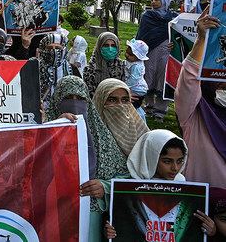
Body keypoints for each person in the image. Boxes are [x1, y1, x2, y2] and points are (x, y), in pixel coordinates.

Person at [44, 76, 128, 242]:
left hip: (90, 218)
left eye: (80, 99)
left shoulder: (101, 137)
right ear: (57, 101)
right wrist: (54, 129)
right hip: (51, 214)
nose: (75, 104)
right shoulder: (42, 132)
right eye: (68, 98)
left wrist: (104, 186)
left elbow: (125, 178)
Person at [105, 130, 216, 240]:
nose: (175, 168)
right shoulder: (125, 189)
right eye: (167, 161)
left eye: (180, 161)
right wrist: (109, 232)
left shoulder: (181, 183)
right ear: (151, 158)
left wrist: (209, 230)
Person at [174, 9, 226, 189]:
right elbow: (189, 77)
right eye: (220, 85)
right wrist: (201, 39)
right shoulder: (194, 115)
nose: (224, 89)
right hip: (199, 210)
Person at [136, 0, 176, 119]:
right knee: (148, 78)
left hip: (166, 53)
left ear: (164, 1)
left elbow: (179, 35)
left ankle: (160, 111)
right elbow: (141, 36)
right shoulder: (147, 16)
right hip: (150, 52)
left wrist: (173, 44)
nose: (153, 2)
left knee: (162, 80)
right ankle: (149, 107)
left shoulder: (174, 17)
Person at [92, 78, 149, 156]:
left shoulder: (138, 127)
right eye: (112, 100)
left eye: (125, 100)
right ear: (101, 100)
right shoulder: (89, 130)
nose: (120, 105)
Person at [37, 33, 77, 104]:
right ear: (43, 49)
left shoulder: (72, 69)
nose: (54, 51)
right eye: (49, 48)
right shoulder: (35, 67)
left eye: (58, 48)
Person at [83, 32, 126, 97]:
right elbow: (89, 93)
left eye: (113, 46)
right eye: (106, 45)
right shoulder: (90, 68)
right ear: (99, 47)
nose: (110, 49)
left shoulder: (122, 66)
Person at [124, 39, 149, 120]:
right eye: (127, 52)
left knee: (131, 106)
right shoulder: (132, 62)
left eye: (130, 54)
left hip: (137, 88)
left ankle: (133, 120)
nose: (127, 55)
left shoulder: (136, 66)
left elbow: (134, 79)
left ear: (138, 57)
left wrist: (124, 86)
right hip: (135, 86)